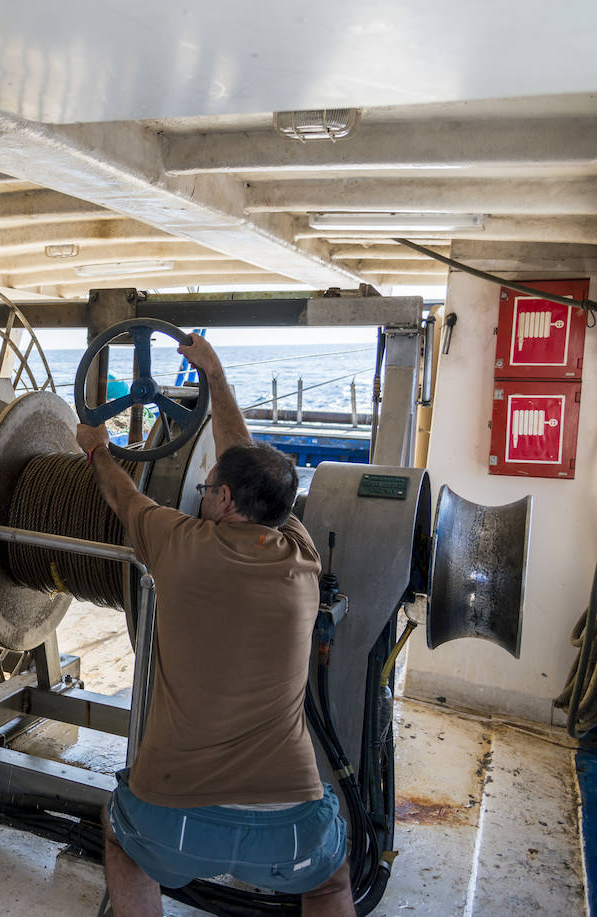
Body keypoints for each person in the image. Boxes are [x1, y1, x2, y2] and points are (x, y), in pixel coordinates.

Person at [75, 333, 354, 917]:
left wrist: (97, 448)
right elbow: (244, 454)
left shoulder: (180, 544)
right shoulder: (301, 555)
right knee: (328, 883)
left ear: (224, 499)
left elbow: (122, 497)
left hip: (171, 816)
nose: (200, 497)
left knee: (122, 845)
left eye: (206, 491)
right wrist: (217, 375)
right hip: (292, 827)